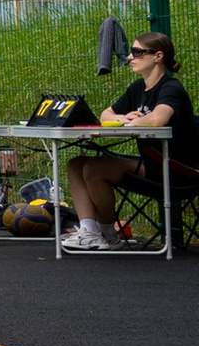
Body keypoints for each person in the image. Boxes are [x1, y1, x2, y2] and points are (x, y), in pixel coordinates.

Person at [61, 32, 197, 251]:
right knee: (75, 165)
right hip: (153, 163)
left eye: (136, 52)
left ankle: (108, 233)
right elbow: (105, 115)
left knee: (94, 170)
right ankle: (89, 231)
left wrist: (135, 121)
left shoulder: (171, 88)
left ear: (158, 56)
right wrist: (122, 118)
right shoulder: (137, 88)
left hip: (176, 168)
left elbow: (158, 119)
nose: (130, 58)